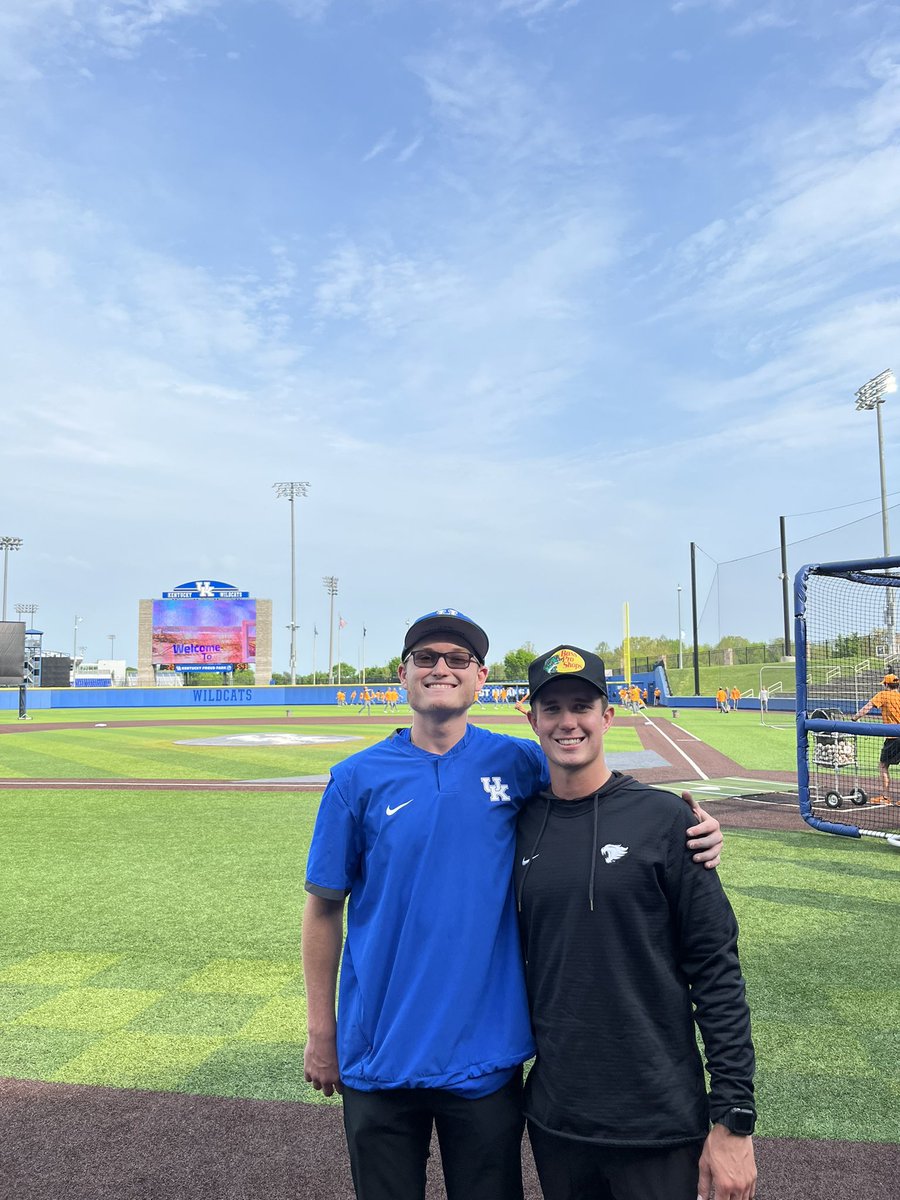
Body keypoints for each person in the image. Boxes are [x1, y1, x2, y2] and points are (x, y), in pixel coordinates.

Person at [302, 610, 724, 1200]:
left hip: (485, 1057)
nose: (440, 669)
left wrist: (688, 829)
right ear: (402, 674)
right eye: (426, 658)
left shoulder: (515, 763)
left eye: (457, 659)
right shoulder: (355, 779)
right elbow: (323, 908)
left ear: (480, 678)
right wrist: (323, 1031)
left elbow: (593, 790)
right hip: (378, 1050)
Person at [516, 645, 757, 1200]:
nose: (567, 721)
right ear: (532, 719)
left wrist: (734, 1119)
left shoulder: (668, 820)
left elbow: (717, 972)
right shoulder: (519, 824)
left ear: (608, 715)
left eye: (582, 706)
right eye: (552, 708)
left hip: (659, 1118)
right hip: (558, 1117)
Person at [853, 673, 900, 805]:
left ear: (886, 684)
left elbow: (867, 707)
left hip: (893, 737)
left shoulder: (883, 695)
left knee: (883, 765)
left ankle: (885, 797)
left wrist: (854, 718)